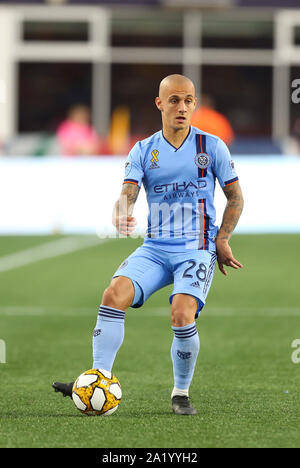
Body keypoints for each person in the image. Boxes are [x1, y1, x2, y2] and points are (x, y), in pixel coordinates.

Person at [53, 74, 244, 415]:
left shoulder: (211, 147)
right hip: (155, 248)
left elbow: (235, 198)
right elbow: (127, 194)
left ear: (195, 104)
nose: (182, 107)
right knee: (113, 294)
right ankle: (99, 378)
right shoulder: (143, 149)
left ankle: (180, 393)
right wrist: (122, 213)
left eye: (188, 100)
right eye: (174, 100)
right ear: (160, 104)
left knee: (181, 313)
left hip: (196, 249)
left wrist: (223, 239)